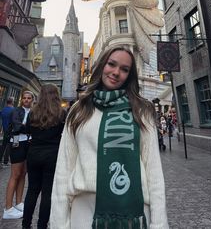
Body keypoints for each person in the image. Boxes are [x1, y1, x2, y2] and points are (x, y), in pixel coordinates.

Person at [50, 45, 169, 229]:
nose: (116, 72)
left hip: (133, 214)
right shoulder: (79, 110)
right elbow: (64, 169)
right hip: (84, 213)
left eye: (124, 69)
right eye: (111, 64)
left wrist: (159, 224)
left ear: (129, 75)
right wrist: (59, 223)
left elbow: (153, 171)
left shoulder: (141, 111)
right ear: (101, 65)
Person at [22, 84, 67, 229]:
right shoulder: (61, 113)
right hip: (52, 155)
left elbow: (28, 129)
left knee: (32, 190)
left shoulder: (33, 112)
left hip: (34, 153)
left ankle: (25, 225)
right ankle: (42, 225)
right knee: (47, 193)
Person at [3, 91, 34, 219]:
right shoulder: (16, 111)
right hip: (17, 143)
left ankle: (19, 203)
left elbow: (32, 126)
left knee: (23, 173)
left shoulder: (33, 112)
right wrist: (29, 128)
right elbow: (17, 127)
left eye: (29, 98)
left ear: (32, 99)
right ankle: (8, 208)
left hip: (28, 143)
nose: (26, 100)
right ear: (21, 100)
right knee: (15, 174)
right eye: (24, 98)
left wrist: (28, 128)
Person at [0, 97, 14, 167]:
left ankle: (0, 160)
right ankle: (5, 161)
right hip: (11, 131)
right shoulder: (13, 110)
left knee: (3, 145)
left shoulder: (3, 110)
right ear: (12, 102)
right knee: (9, 146)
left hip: (4, 130)